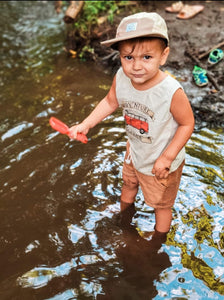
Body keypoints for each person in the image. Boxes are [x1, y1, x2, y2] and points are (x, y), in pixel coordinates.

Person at [69, 12, 195, 241]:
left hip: (161, 161)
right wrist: (86, 124)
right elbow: (110, 101)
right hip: (135, 149)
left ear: (163, 56)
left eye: (147, 57)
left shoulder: (170, 92)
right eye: (128, 57)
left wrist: (167, 157)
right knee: (128, 183)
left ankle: (158, 240)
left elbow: (187, 124)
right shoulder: (121, 77)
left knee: (161, 204)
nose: (136, 66)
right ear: (120, 56)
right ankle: (123, 214)